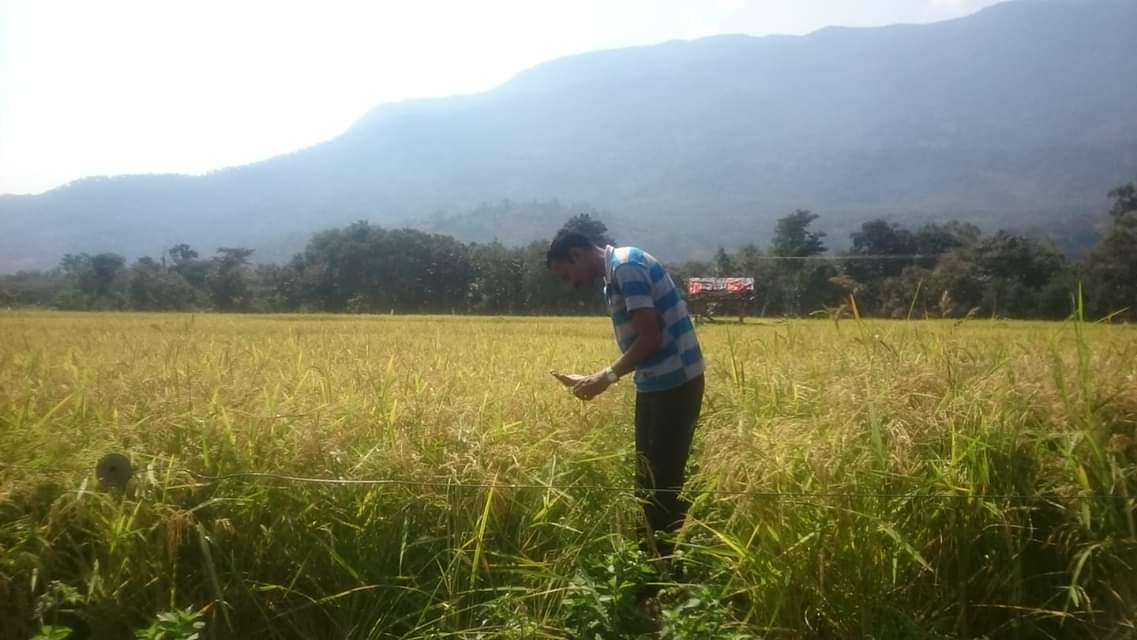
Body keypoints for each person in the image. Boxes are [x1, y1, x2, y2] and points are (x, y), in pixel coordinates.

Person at [545, 230, 706, 561]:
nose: (570, 283)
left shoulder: (625, 266)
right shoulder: (615, 273)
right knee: (648, 477)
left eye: (566, 274)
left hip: (675, 382)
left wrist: (604, 378)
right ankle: (652, 560)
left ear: (576, 255)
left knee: (661, 482)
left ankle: (660, 570)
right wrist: (593, 378)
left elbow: (651, 338)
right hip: (656, 382)